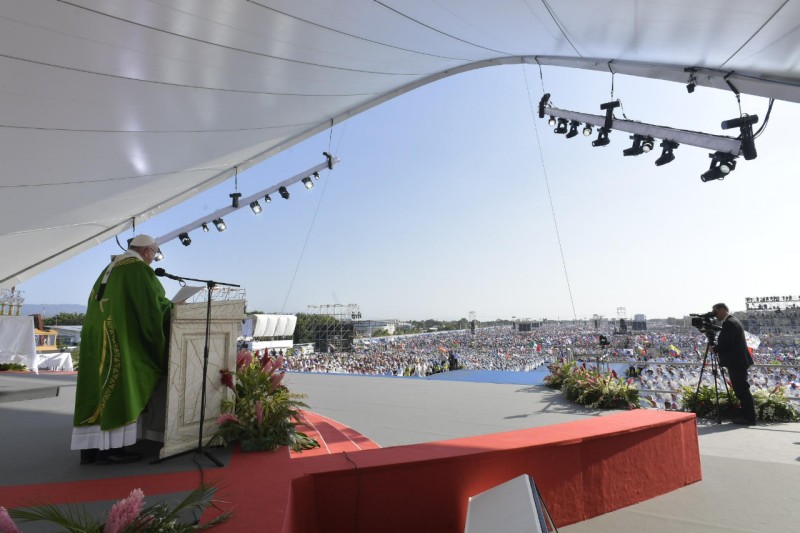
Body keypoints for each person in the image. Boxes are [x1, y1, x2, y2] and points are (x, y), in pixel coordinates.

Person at [71, 235, 173, 464]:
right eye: (154, 254)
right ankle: (111, 449)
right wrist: (173, 307)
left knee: (95, 389)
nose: (153, 259)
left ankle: (89, 447)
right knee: (119, 386)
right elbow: (153, 305)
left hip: (96, 333)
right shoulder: (138, 269)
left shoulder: (111, 267)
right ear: (146, 251)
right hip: (116, 336)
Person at [711, 303, 756, 425]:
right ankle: (746, 415)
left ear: (721, 310)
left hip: (736, 362)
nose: (715, 315)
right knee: (740, 389)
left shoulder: (730, 323)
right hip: (737, 361)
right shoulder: (732, 321)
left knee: (742, 389)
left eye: (715, 312)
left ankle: (749, 417)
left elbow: (727, 342)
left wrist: (715, 349)